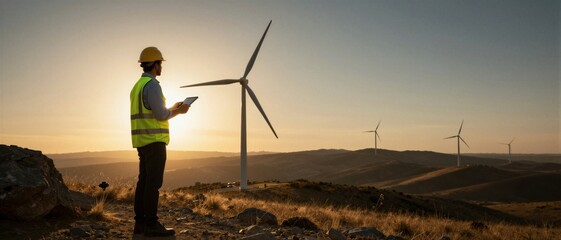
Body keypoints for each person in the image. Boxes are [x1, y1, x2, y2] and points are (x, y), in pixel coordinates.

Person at [130, 46, 189, 237]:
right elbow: (160, 114)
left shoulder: (137, 86)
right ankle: (151, 225)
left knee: (144, 182)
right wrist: (178, 111)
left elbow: (152, 111)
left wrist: (170, 107)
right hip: (154, 141)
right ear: (155, 64)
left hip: (141, 140)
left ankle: (140, 224)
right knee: (153, 184)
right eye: (160, 63)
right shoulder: (153, 85)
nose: (161, 67)